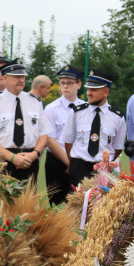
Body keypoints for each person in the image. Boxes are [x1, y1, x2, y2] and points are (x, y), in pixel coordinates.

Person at [0, 61, 49, 182]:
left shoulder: (35, 102)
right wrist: (12, 157)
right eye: (16, 76)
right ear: (5, 78)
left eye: (23, 76)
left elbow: (44, 134)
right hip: (4, 161)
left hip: (31, 160)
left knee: (30, 200)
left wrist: (34, 154)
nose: (21, 80)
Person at [62, 69, 125, 187]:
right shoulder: (76, 113)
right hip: (79, 169)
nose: (89, 93)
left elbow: (118, 147)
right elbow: (68, 142)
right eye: (88, 89)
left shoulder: (117, 117)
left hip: (103, 170)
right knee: (77, 204)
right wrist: (74, 163)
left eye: (94, 90)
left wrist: (105, 162)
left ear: (106, 92)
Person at [42, 64, 83, 205]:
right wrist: (68, 162)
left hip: (79, 162)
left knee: (78, 204)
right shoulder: (51, 108)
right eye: (62, 83)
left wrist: (74, 164)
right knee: (56, 205)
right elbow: (50, 140)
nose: (65, 86)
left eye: (70, 83)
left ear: (79, 84)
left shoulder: (85, 108)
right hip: (57, 162)